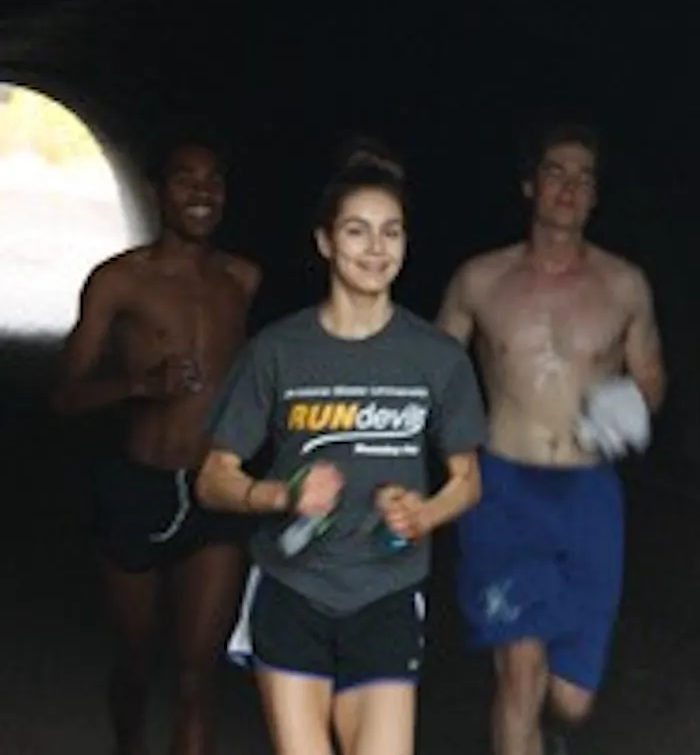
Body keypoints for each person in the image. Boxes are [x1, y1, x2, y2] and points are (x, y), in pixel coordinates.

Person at [194, 142, 488, 755]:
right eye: (357, 231)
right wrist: (283, 495)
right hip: (292, 588)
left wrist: (424, 514)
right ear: (325, 242)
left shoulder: (436, 357)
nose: (376, 248)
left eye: (391, 232)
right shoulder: (277, 351)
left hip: (385, 593)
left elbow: (467, 480)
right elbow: (214, 477)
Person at [436, 122, 667, 755]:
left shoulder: (625, 285)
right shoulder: (479, 279)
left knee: (571, 700)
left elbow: (651, 378)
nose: (569, 188)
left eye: (584, 178)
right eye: (556, 173)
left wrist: (631, 407)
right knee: (519, 673)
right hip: (504, 488)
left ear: (596, 197)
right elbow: (434, 373)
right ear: (529, 184)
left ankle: (550, 738)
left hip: (588, 495)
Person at [51, 140, 261, 755]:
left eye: (214, 180)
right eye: (185, 179)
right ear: (154, 192)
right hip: (136, 487)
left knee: (197, 680)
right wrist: (139, 385)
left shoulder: (242, 280)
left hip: (213, 492)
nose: (202, 192)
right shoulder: (119, 282)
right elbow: (64, 396)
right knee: (137, 660)